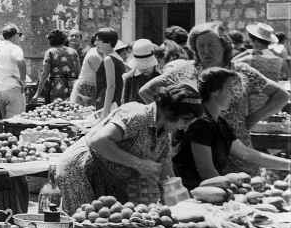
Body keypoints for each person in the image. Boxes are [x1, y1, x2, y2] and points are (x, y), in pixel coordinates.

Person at [139, 22, 288, 168]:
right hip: (194, 151)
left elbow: (281, 95)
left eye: (211, 45)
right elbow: (147, 91)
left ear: (224, 46)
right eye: (201, 46)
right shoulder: (185, 71)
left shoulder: (240, 71)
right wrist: (172, 119)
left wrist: (252, 119)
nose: (206, 51)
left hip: (237, 150)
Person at [53, 84, 203, 210]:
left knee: (109, 226)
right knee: (85, 224)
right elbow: (98, 141)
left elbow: (167, 174)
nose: (185, 127)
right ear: (171, 112)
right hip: (81, 170)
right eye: (185, 120)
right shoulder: (137, 115)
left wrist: (182, 205)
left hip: (106, 176)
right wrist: (139, 164)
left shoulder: (163, 135)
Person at [173, 67, 291, 189]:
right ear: (215, 91)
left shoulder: (219, 122)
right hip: (194, 192)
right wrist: (231, 193)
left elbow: (246, 153)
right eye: (230, 89)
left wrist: (288, 165)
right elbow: (207, 172)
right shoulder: (200, 124)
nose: (233, 95)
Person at [70, 27, 123, 115]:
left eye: (98, 40)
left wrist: (105, 110)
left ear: (108, 42)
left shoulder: (108, 59)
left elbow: (111, 86)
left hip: (108, 102)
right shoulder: (117, 57)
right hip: (114, 100)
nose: (95, 43)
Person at [34, 29, 80, 104]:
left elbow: (45, 74)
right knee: (72, 109)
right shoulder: (74, 52)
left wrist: (37, 94)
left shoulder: (50, 52)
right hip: (73, 87)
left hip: (57, 88)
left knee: (57, 108)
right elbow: (79, 72)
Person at [0, 24, 27, 119]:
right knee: (16, 121)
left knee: (5, 121)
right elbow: (21, 62)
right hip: (12, 88)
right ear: (15, 35)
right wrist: (23, 81)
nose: (19, 37)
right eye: (19, 35)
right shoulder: (14, 48)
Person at [121, 39, 161, 105]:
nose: (144, 68)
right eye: (141, 66)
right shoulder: (130, 78)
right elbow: (125, 104)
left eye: (147, 65)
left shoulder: (160, 78)